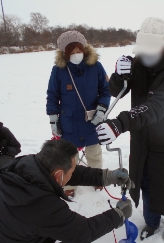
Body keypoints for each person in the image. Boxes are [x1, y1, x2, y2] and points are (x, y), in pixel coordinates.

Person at [96, 17, 164, 241]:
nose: (145, 57)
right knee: (144, 179)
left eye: (150, 52)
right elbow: (116, 90)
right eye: (142, 52)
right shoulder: (138, 63)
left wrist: (120, 123)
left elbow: (156, 105)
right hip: (142, 134)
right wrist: (119, 75)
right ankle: (152, 221)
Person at [0, 139, 134, 243]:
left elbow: (69, 171)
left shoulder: (28, 166)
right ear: (58, 176)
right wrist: (118, 215)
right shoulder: (40, 206)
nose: (73, 172)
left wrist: (106, 176)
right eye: (71, 171)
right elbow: (82, 232)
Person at [46, 30, 111, 197]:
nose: (76, 54)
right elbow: (53, 95)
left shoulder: (96, 66)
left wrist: (102, 110)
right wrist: (54, 120)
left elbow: (105, 90)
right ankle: (69, 184)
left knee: (94, 154)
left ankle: (97, 179)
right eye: (72, 52)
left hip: (92, 121)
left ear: (84, 48)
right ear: (65, 53)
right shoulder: (58, 70)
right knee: (69, 157)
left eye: (78, 50)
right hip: (68, 123)